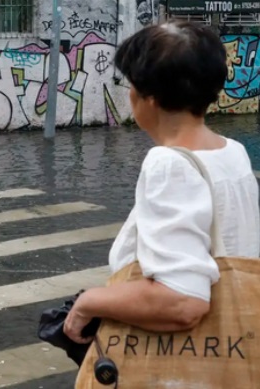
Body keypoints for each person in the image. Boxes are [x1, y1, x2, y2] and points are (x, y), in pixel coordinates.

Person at [64, 21, 260, 354]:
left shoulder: (168, 164)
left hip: (188, 363)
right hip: (239, 342)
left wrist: (88, 303)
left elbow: (182, 302)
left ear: (149, 97)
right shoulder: (232, 151)